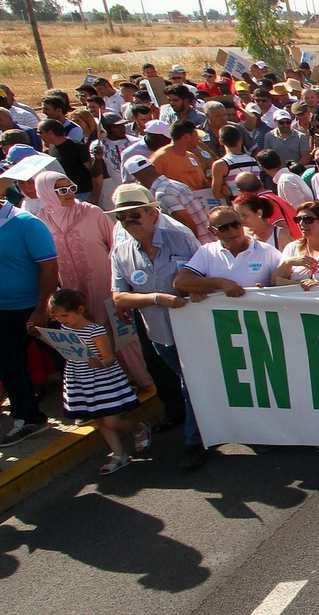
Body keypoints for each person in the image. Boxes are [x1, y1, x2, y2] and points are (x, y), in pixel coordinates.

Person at [108, 183, 205, 468]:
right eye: (121, 217)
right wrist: (156, 298)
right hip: (160, 334)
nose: (127, 221)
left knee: (191, 385)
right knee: (189, 385)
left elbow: (204, 273)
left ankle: (194, 442)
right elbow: (119, 296)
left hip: (194, 330)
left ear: (152, 213)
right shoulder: (121, 250)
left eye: (134, 214)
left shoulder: (181, 236)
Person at [32, 172, 152, 389]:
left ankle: (140, 378)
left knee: (118, 332)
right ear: (46, 193)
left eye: (71, 187)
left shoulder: (91, 212)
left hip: (104, 284)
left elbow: (117, 247)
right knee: (87, 335)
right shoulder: (40, 221)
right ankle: (109, 386)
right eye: (61, 190)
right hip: (71, 289)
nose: (68, 193)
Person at [0, 171, 60, 447]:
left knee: (71, 360)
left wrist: (41, 309)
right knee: (9, 368)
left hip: (36, 308)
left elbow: (49, 267)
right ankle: (29, 418)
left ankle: (103, 406)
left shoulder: (26, 223)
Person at [47, 288, 149, 475]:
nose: (61, 320)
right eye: (57, 317)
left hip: (102, 379)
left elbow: (110, 358)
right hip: (81, 378)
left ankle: (138, 426)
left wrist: (99, 363)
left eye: (65, 315)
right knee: (99, 419)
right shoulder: (65, 328)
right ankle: (119, 454)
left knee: (111, 422)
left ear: (79, 310)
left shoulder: (95, 330)